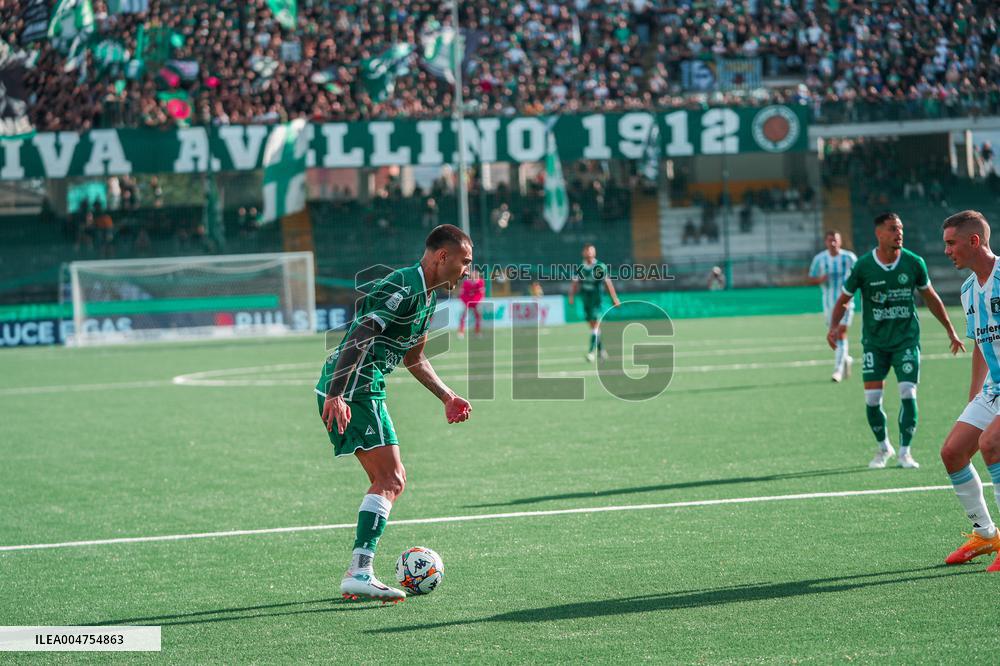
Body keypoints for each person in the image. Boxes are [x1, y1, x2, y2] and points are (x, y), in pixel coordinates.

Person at [316, 224, 473, 602]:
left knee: (389, 480)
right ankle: (359, 571)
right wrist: (337, 393)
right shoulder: (403, 286)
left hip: (359, 387)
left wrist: (447, 396)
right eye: (465, 261)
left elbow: (414, 357)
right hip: (355, 387)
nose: (467, 270)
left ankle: (359, 570)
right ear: (443, 257)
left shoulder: (428, 297)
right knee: (392, 479)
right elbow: (360, 335)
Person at [827, 212, 964, 469]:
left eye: (900, 228)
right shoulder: (864, 266)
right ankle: (883, 448)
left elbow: (931, 297)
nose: (898, 233)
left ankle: (905, 452)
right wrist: (834, 327)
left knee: (908, 393)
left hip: (906, 341)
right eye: (892, 228)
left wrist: (950, 329)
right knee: (872, 399)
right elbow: (844, 299)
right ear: (879, 233)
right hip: (875, 343)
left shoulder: (913, 262)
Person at [939, 210, 1000, 571]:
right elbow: (980, 343)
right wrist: (975, 396)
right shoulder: (967, 290)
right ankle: (986, 534)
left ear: (974, 241)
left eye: (951, 243)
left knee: (991, 444)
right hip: (993, 389)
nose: (947, 251)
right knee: (953, 452)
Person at [806, 230, 858, 382]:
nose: (833, 243)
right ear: (826, 242)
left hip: (846, 303)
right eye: (830, 240)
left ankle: (837, 370)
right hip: (829, 304)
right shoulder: (820, 259)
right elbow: (811, 278)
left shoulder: (849, 257)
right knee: (834, 335)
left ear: (840, 241)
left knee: (841, 333)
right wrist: (820, 279)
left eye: (835, 240)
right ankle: (846, 359)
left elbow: (860, 276)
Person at [568, 243, 620, 362]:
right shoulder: (580, 267)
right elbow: (575, 283)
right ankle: (601, 350)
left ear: (594, 252)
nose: (589, 253)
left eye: (591, 250)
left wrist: (614, 298)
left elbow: (607, 282)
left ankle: (591, 352)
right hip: (586, 299)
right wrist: (571, 296)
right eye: (587, 251)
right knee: (593, 326)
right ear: (583, 253)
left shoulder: (600, 266)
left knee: (595, 324)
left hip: (597, 300)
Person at [457, 268, 485, 339]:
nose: (474, 276)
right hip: (466, 301)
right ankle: (461, 332)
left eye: (476, 275)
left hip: (476, 302)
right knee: (463, 316)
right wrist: (465, 302)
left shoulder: (480, 282)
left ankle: (477, 332)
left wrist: (477, 302)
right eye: (473, 275)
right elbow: (462, 294)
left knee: (478, 316)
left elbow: (481, 294)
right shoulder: (466, 283)